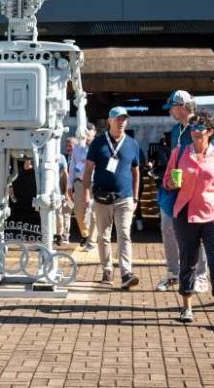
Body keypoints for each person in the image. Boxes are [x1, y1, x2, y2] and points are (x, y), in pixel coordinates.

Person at [163, 110, 214, 325]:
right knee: (188, 261)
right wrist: (171, 183)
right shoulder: (179, 153)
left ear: (211, 132)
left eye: (200, 128)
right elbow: (166, 180)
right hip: (185, 213)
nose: (195, 131)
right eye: (193, 127)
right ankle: (187, 308)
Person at [156, 90, 209, 293]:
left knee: (197, 232)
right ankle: (173, 273)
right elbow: (174, 159)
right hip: (174, 190)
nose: (170, 111)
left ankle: (201, 276)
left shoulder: (200, 126)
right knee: (168, 229)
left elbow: (207, 157)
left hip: (195, 189)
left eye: (172, 107)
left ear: (181, 107)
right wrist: (169, 178)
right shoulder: (175, 130)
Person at [82, 107, 141, 289]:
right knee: (103, 236)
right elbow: (88, 170)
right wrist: (86, 193)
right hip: (102, 196)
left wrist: (135, 196)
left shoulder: (132, 143)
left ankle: (126, 273)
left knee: (124, 234)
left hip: (125, 197)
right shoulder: (98, 143)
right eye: (118, 119)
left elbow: (136, 171)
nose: (121, 122)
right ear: (110, 121)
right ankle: (107, 269)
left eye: (124, 119)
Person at [66, 123, 97, 244]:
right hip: (79, 183)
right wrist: (69, 186)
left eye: (89, 133)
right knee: (79, 212)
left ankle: (92, 240)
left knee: (94, 212)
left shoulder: (99, 146)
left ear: (94, 133)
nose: (87, 136)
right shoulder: (77, 149)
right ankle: (85, 234)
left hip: (95, 183)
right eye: (85, 133)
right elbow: (72, 168)